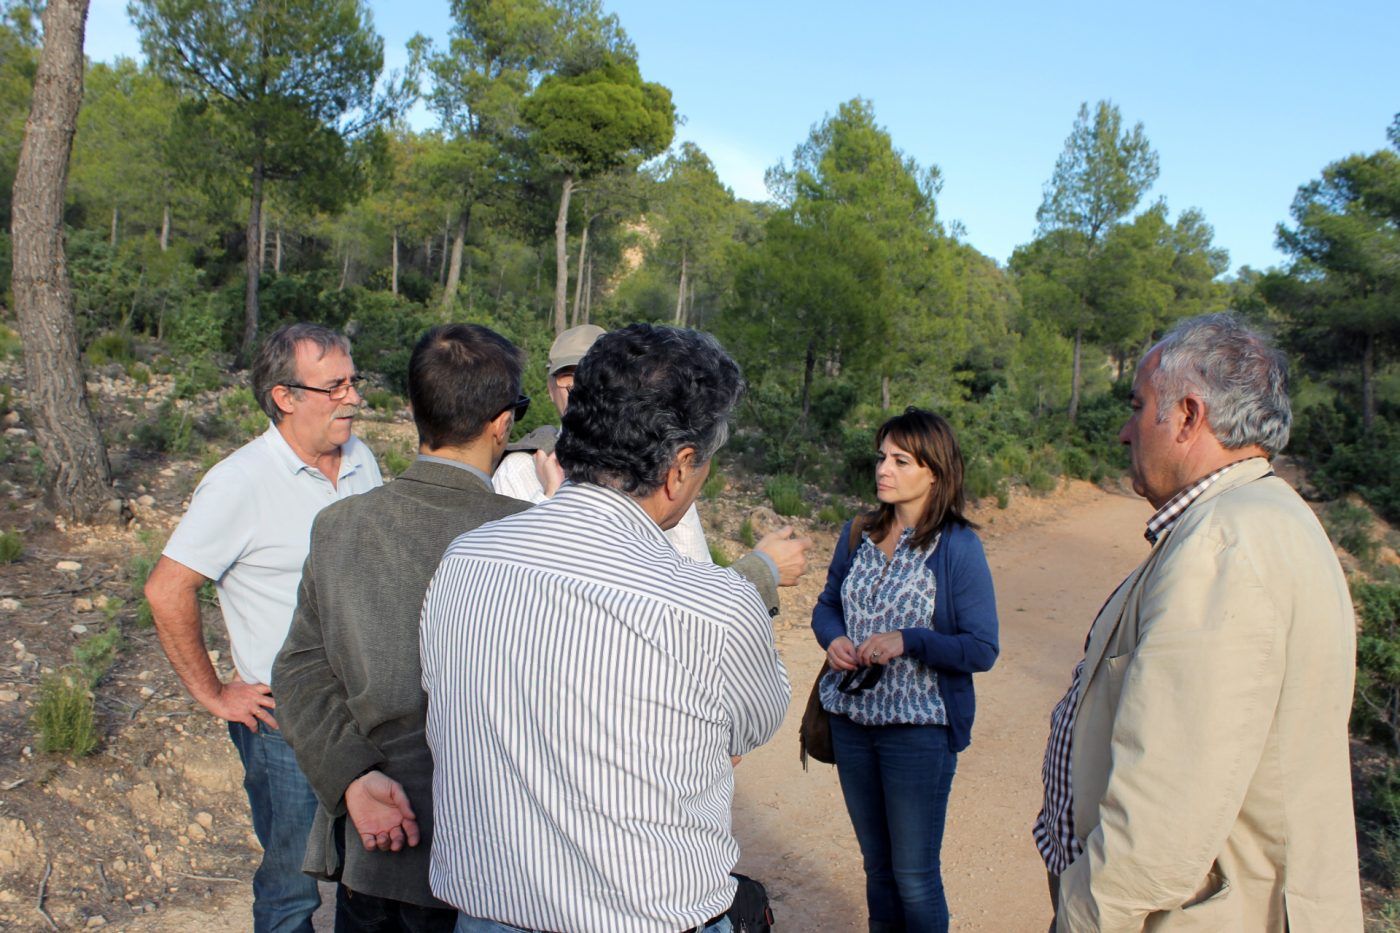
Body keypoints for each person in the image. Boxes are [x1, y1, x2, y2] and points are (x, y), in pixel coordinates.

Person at [421, 324, 791, 933]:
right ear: (680, 468)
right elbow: (746, 729)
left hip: (485, 914)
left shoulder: (465, 560)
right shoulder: (717, 606)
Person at [1034, 313, 1362, 931]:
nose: (1127, 433)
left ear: (1187, 416)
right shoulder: (1265, 515)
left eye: (1139, 406)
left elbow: (1161, 818)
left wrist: (1082, 918)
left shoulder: (1223, 546)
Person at [271, 324, 530, 932]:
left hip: (378, 850)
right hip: (501, 863)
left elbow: (299, 670)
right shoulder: (532, 538)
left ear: (415, 411)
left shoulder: (339, 527)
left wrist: (353, 778)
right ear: (503, 423)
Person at [144, 323, 383, 932]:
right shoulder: (239, 482)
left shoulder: (361, 459)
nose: (352, 398)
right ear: (285, 396)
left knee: (369, 878)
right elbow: (168, 588)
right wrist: (214, 693)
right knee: (291, 892)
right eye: (334, 387)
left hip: (366, 713)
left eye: (352, 382)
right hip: (286, 724)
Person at [811, 407, 999, 933]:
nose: (883, 470)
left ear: (934, 471)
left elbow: (982, 648)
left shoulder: (957, 547)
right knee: (877, 869)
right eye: (881, 457)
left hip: (918, 731)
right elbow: (827, 606)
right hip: (851, 721)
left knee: (914, 876)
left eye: (900, 460)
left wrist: (909, 641)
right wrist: (835, 640)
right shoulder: (859, 534)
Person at [493, 323, 795, 575]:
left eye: (595, 376)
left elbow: (695, 567)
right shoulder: (519, 468)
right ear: (549, 387)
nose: (580, 387)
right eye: (569, 376)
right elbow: (510, 564)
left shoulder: (663, 464)